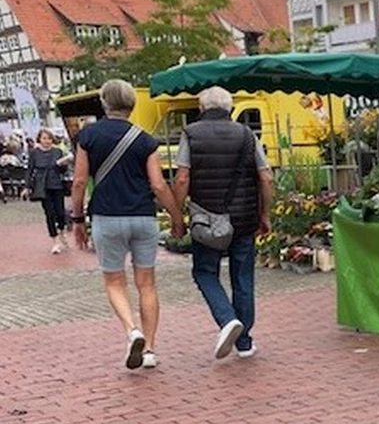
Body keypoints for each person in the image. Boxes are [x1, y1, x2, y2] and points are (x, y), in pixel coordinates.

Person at [70, 79, 186, 371]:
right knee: (147, 284)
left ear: (104, 103)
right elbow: (158, 185)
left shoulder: (88, 136)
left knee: (114, 282)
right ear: (132, 105)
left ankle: (132, 330)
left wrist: (77, 219)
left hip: (107, 217)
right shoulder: (144, 139)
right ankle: (150, 349)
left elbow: (80, 181)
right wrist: (176, 217)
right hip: (143, 217)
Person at [172, 86, 274, 361]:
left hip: (207, 219)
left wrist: (177, 215)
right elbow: (266, 177)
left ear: (201, 107)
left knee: (205, 272)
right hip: (244, 218)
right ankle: (244, 342)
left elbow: (182, 178)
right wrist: (265, 214)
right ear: (229, 108)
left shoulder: (191, 133)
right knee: (243, 278)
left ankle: (227, 319)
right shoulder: (247, 134)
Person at [25, 128, 73, 254]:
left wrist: (63, 164)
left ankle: (62, 231)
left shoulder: (57, 151)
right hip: (42, 185)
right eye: (44, 138)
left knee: (60, 212)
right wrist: (27, 187)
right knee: (49, 213)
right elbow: (30, 170)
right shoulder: (34, 153)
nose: (47, 141)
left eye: (49, 139)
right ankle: (55, 241)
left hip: (56, 184)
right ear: (39, 139)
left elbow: (63, 171)